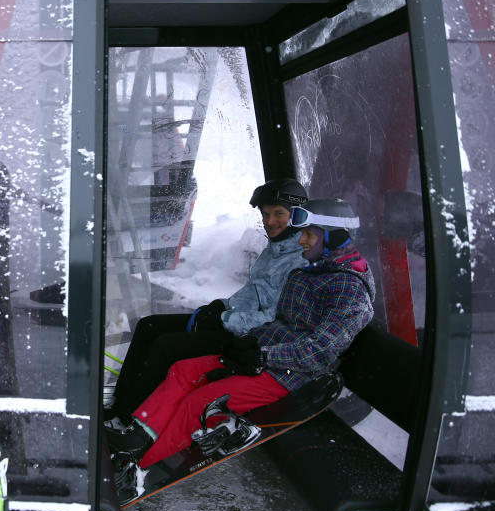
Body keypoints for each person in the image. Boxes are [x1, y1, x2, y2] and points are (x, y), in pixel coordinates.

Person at [108, 197, 375, 470]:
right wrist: (247, 343)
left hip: (287, 375)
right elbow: (280, 320)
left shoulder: (348, 290)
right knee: (182, 370)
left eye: (309, 234)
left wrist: (262, 354)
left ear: (333, 238)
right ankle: (138, 438)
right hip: (259, 356)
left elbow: (320, 350)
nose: (301, 241)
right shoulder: (313, 271)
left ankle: (144, 466)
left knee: (199, 403)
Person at [105, 178, 310, 424]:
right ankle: (121, 400)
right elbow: (252, 295)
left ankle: (130, 418)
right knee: (149, 325)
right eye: (266, 214)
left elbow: (273, 316)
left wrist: (224, 319)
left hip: (251, 340)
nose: (269, 222)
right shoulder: (275, 250)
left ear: (298, 216)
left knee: (166, 346)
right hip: (235, 324)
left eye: (278, 214)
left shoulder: (300, 260)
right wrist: (220, 306)